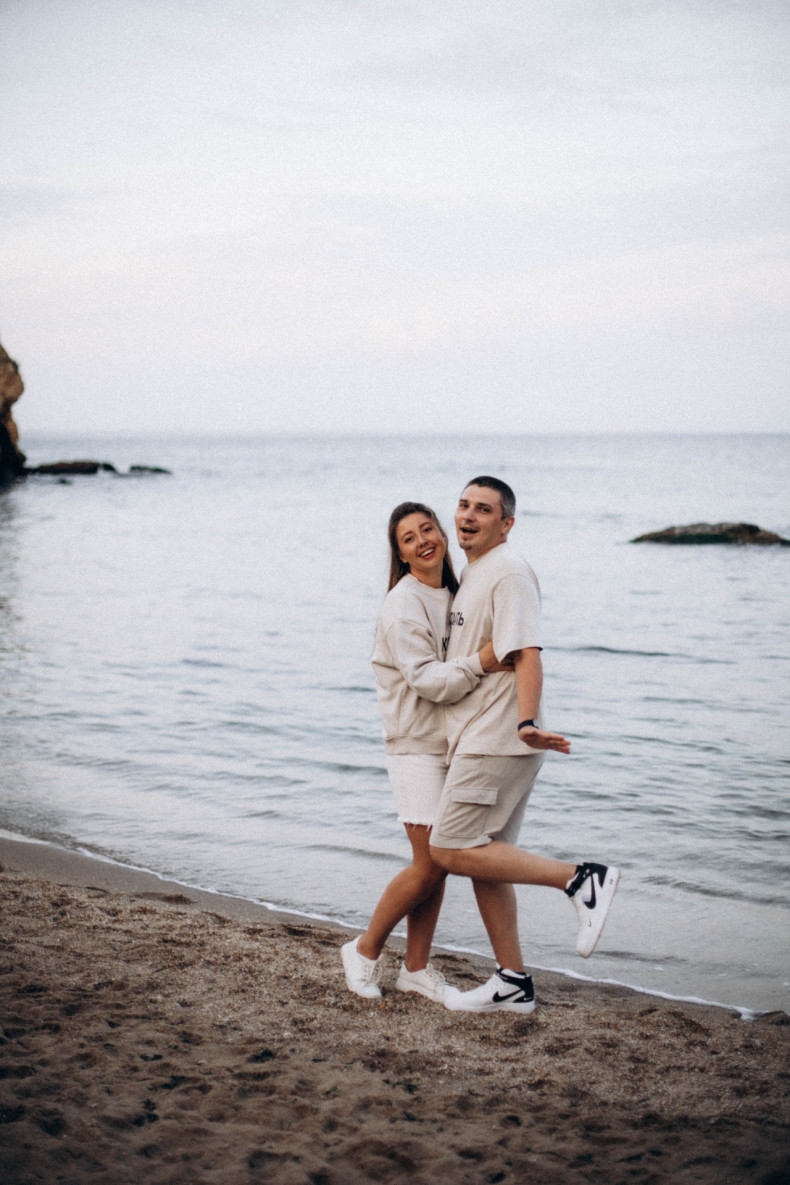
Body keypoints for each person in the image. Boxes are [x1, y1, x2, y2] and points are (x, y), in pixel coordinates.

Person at [428, 476, 620, 1014]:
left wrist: (527, 720)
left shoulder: (508, 571)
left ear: (506, 524)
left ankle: (581, 879)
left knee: (449, 849)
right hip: (486, 734)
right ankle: (512, 981)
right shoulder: (476, 572)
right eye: (463, 505)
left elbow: (528, 653)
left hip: (498, 736)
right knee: (486, 859)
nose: (468, 516)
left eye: (483, 509)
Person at [341, 501, 509, 1002]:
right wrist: (483, 661)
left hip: (456, 742)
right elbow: (428, 681)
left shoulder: (456, 594)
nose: (422, 541)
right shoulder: (403, 603)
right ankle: (364, 950)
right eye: (409, 538)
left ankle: (415, 968)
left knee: (439, 863)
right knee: (432, 863)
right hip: (415, 745)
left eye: (427, 529)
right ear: (400, 554)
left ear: (442, 533)